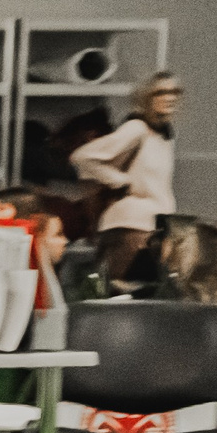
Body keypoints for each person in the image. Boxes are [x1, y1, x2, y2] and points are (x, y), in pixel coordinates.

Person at [70, 72, 181, 291]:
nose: (170, 97)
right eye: (161, 92)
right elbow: (82, 156)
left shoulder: (163, 134)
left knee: (145, 297)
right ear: (147, 97)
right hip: (131, 227)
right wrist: (119, 180)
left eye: (174, 92)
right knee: (124, 294)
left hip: (153, 227)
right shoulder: (137, 128)